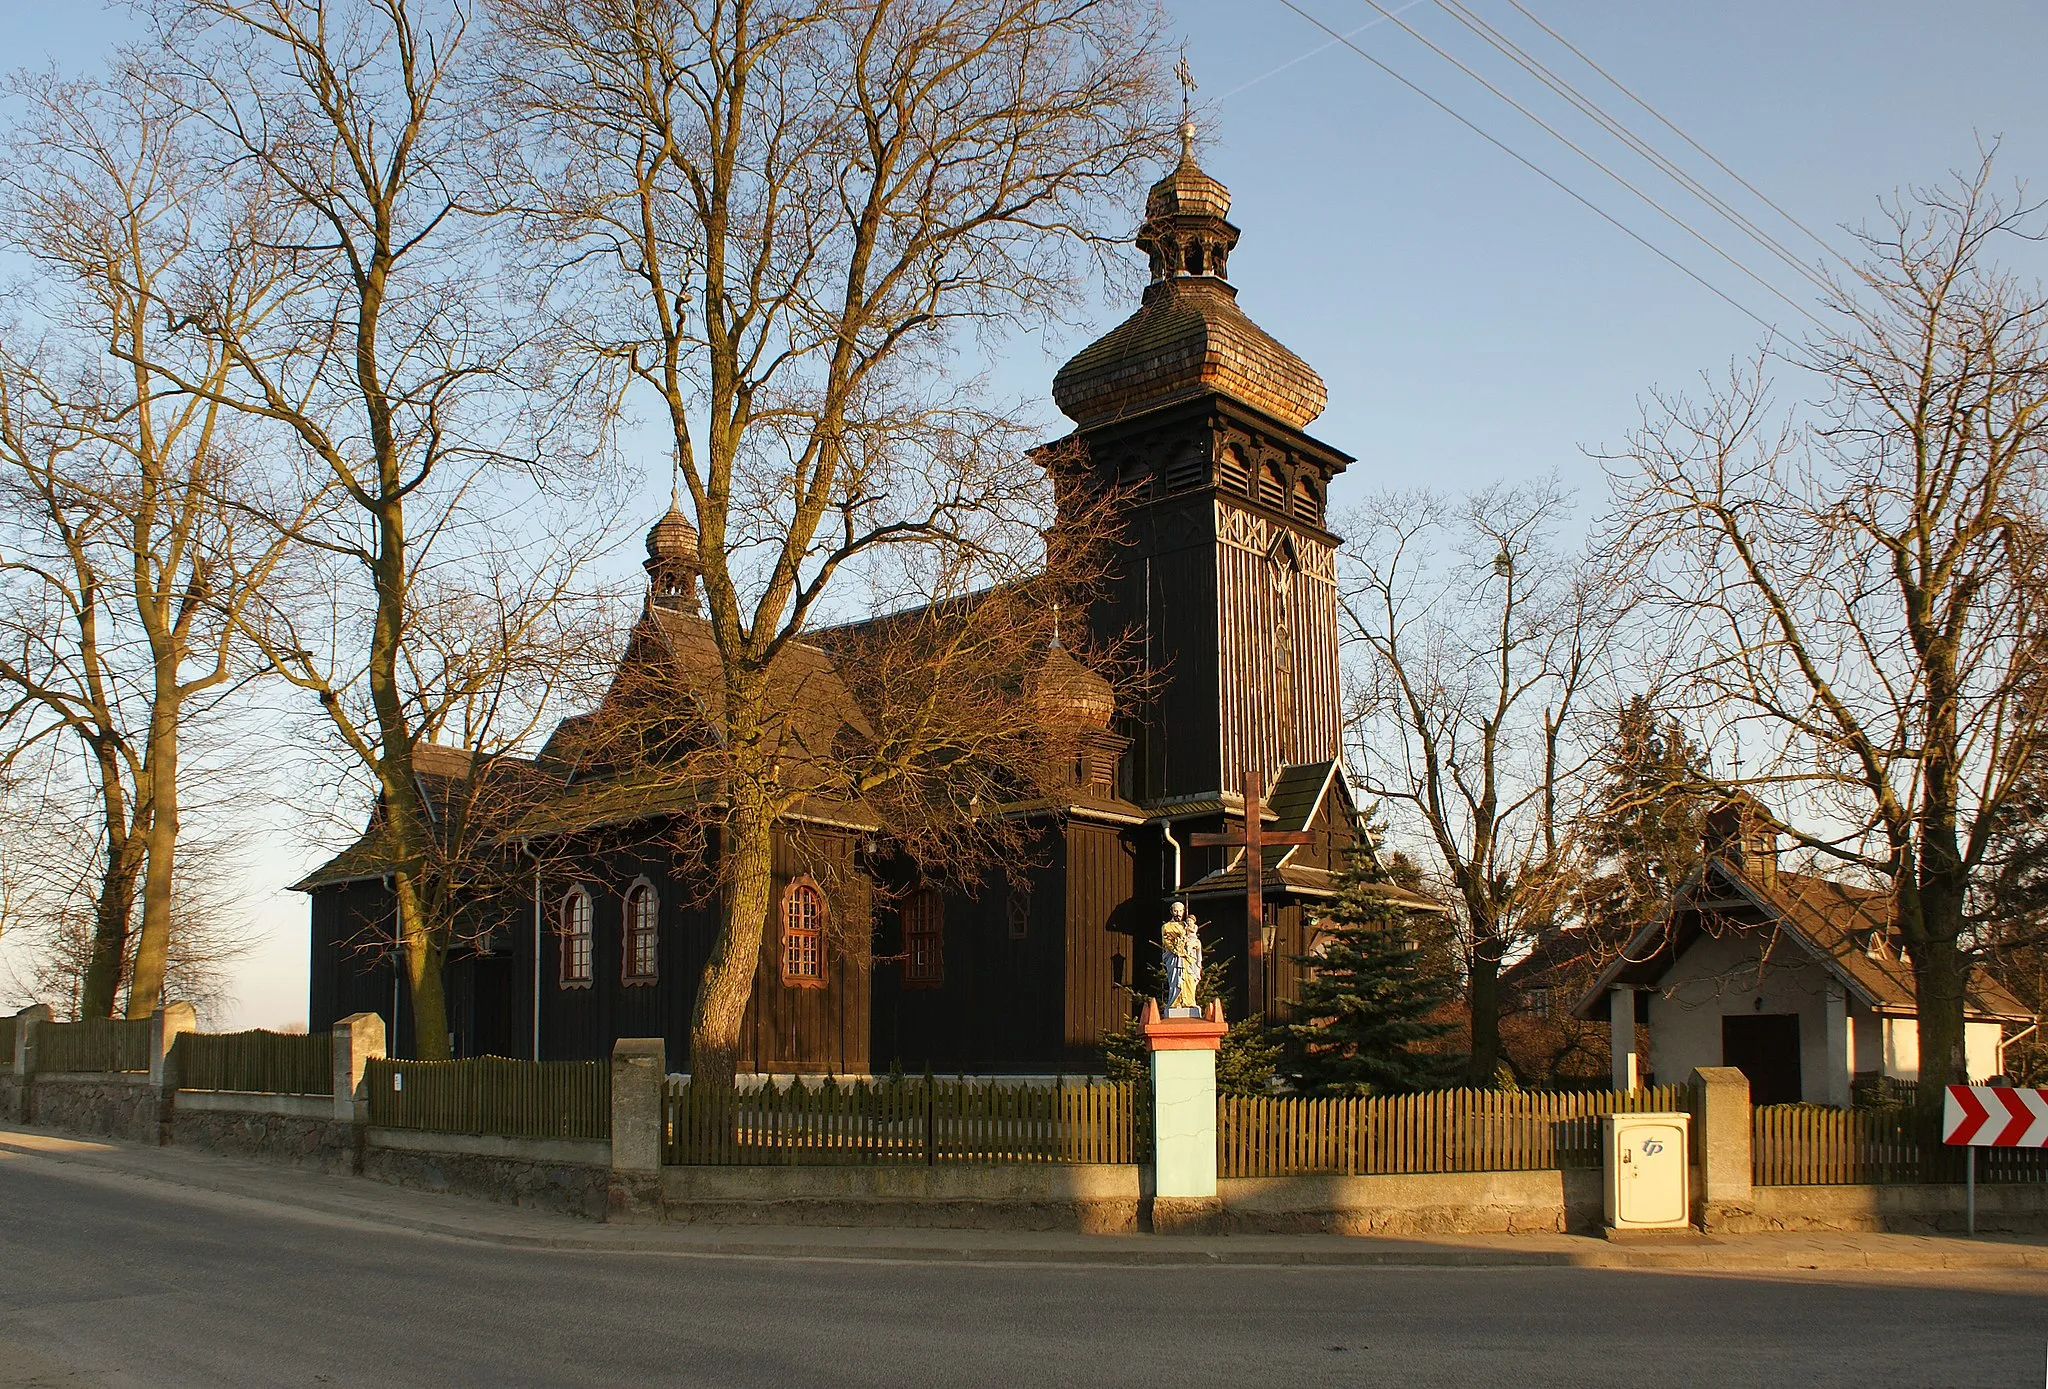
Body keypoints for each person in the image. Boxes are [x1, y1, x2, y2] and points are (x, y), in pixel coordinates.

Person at [1161, 901, 1203, 1013]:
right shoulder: (1167, 926)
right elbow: (1167, 941)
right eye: (1175, 911)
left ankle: (1189, 1002)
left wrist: (1194, 944)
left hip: (1188, 959)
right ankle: (1175, 1002)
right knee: (1176, 980)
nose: (1178, 913)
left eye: (1180, 911)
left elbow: (1192, 937)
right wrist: (1176, 950)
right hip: (1175, 959)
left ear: (1183, 911)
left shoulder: (1186, 925)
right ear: (1171, 912)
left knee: (1189, 979)